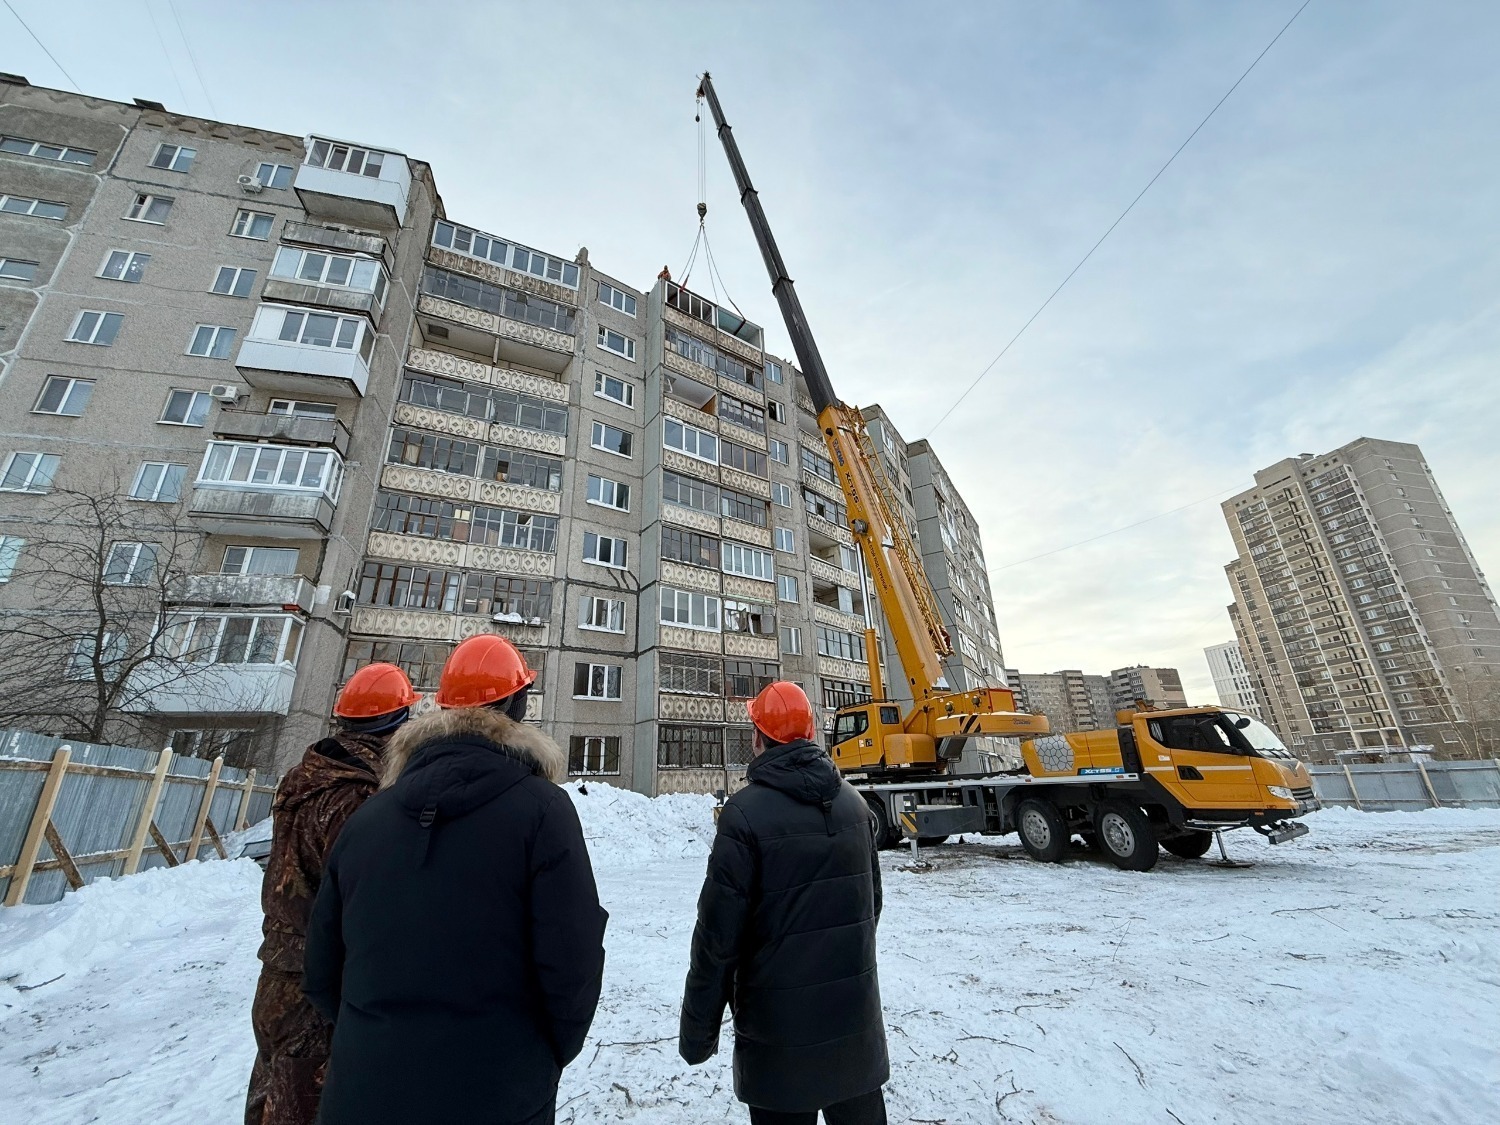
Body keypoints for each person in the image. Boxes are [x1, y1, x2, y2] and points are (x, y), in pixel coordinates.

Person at [302, 634, 607, 1125]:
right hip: (497, 1093)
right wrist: (540, 1056)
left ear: (443, 708)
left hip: (364, 1094)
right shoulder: (544, 811)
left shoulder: (368, 818)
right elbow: (573, 960)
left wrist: (375, 1038)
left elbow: (320, 969)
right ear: (517, 706)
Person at [679, 681, 889, 1125]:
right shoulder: (856, 807)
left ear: (758, 738)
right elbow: (871, 905)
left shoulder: (744, 815)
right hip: (854, 1030)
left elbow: (717, 938)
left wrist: (698, 1032)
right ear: (811, 733)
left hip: (778, 1042)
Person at [245, 662, 419, 1125]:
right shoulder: (356, 798)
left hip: (278, 969)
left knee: (273, 1095)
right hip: (321, 979)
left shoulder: (308, 777)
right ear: (397, 723)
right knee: (309, 1104)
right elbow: (364, 901)